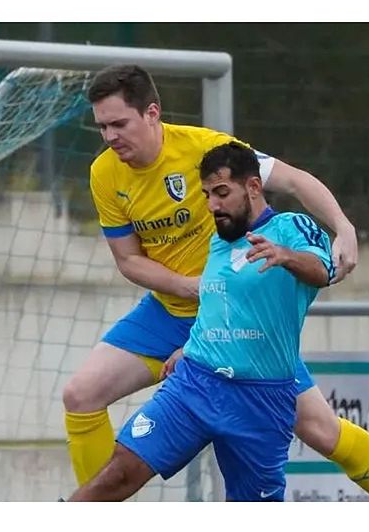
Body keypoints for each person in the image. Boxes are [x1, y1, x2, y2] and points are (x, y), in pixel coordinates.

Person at [63, 64, 369, 502]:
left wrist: (343, 227)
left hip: (239, 321)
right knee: (81, 394)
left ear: (152, 113)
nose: (111, 137)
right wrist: (190, 287)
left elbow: (295, 180)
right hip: (170, 311)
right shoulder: (104, 173)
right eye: (102, 127)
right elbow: (129, 260)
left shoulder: (206, 149)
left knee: (324, 432)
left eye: (120, 124)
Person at [71, 142, 333, 501]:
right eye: (208, 195)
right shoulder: (219, 241)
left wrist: (286, 256)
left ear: (253, 187)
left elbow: (322, 271)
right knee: (120, 472)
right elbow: (217, 307)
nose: (212, 205)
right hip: (197, 384)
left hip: (262, 399)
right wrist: (190, 348)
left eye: (222, 193)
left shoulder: (292, 227)